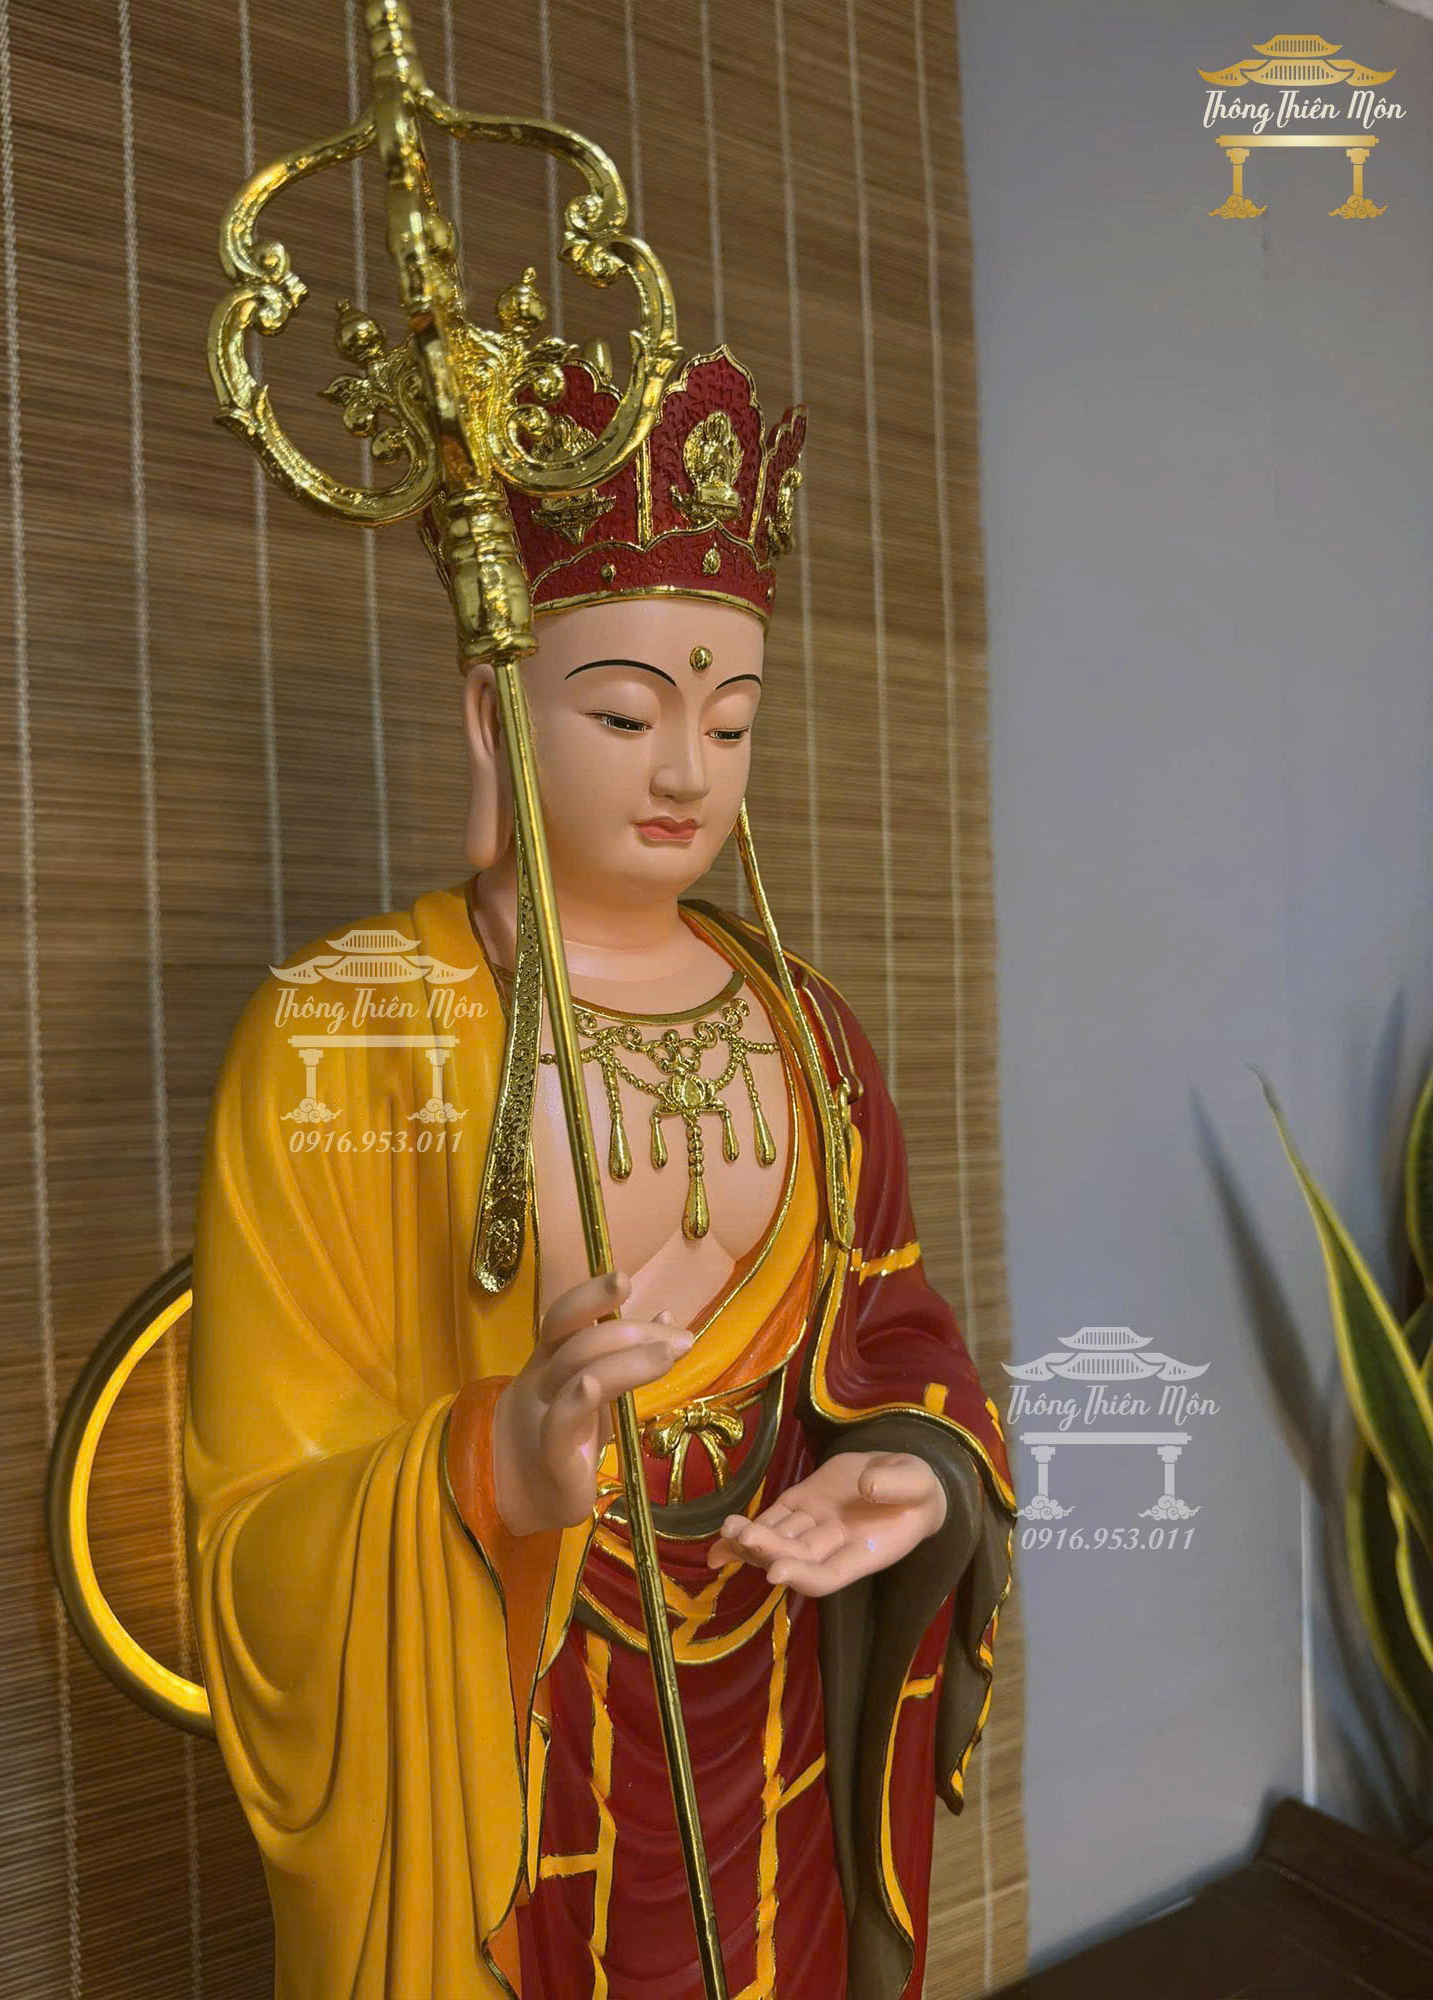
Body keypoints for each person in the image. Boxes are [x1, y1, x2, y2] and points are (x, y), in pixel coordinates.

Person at [184, 344, 1016, 2000]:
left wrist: (921, 1470)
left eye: (732, 718)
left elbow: (895, 1324)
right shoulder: (349, 1026)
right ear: (494, 716)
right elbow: (253, 1522)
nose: (687, 770)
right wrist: (488, 1464)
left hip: (780, 1697)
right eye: (627, 713)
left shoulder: (809, 1027)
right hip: (514, 1719)